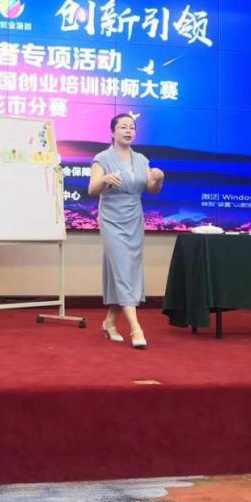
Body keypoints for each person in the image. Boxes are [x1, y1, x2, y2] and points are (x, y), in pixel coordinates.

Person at [88, 113, 165, 349]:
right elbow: (92, 189)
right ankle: (136, 328)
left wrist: (159, 179)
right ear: (112, 132)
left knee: (128, 269)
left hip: (134, 218)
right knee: (122, 269)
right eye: (123, 127)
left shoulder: (141, 159)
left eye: (132, 127)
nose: (128, 131)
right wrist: (104, 180)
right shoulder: (102, 158)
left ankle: (110, 322)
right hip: (111, 219)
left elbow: (152, 189)